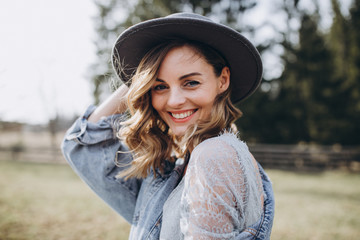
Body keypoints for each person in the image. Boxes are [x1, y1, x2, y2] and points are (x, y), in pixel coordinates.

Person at [62, 13, 274, 240]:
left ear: (222, 80)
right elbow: (82, 148)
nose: (173, 101)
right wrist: (140, 76)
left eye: (191, 83)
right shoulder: (168, 175)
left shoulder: (215, 155)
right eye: (160, 86)